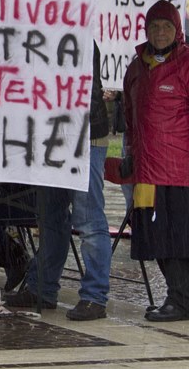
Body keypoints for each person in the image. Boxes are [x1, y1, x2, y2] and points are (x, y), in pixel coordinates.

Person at [122, 0, 189, 323]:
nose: (160, 32)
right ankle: (186, 298)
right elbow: (129, 116)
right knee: (157, 238)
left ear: (176, 29)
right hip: (148, 172)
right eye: (154, 27)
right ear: (147, 30)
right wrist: (129, 155)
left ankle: (180, 300)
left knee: (184, 239)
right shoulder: (137, 67)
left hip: (183, 172)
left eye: (166, 26)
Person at [7, 45, 112, 321]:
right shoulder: (45, 33)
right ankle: (42, 287)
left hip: (84, 137)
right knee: (51, 217)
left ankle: (94, 296)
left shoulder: (78, 35)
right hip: (50, 137)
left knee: (88, 219)